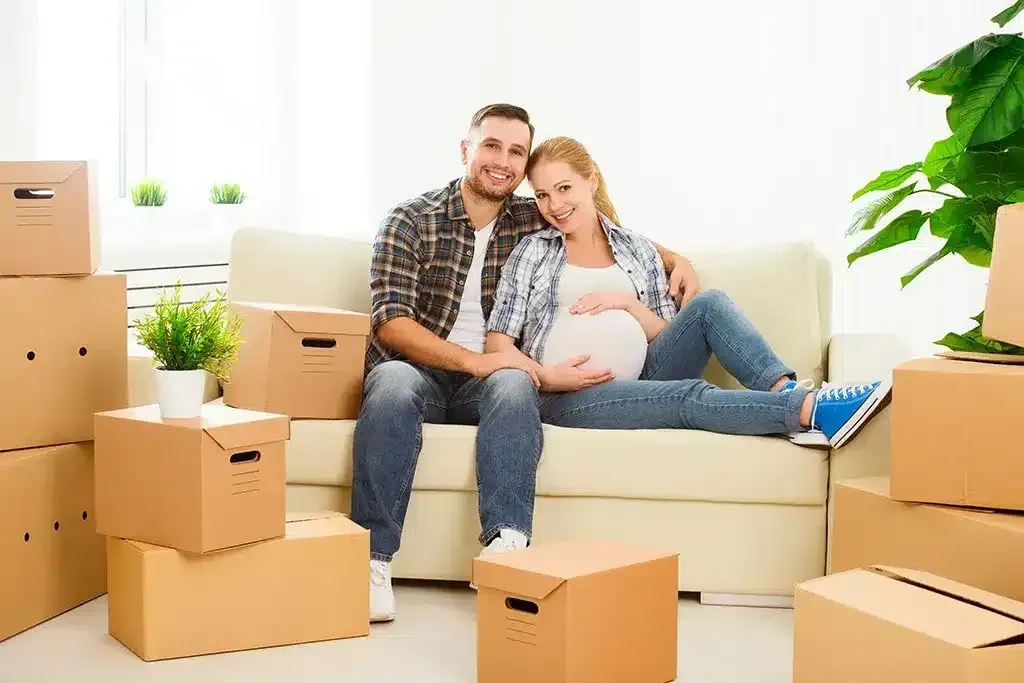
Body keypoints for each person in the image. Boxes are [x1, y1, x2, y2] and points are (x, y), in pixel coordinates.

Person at [352, 106, 693, 623]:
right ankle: (372, 562)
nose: (503, 161)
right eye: (491, 146)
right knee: (394, 382)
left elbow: (604, 229)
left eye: (516, 152)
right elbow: (391, 324)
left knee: (514, 383)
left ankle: (507, 546)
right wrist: (475, 360)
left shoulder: (532, 214)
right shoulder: (409, 219)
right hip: (417, 368)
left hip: (492, 376)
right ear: (466, 150)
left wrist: (677, 260)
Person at [485, 135, 892, 444]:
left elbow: (666, 335)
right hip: (568, 397)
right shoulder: (532, 252)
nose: (554, 205)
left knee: (709, 304)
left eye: (564, 188)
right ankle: (813, 411)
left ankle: (786, 388)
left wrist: (629, 305)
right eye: (541, 194)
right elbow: (498, 345)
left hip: (645, 375)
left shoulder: (637, 249)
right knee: (688, 396)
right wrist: (547, 377)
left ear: (590, 182)